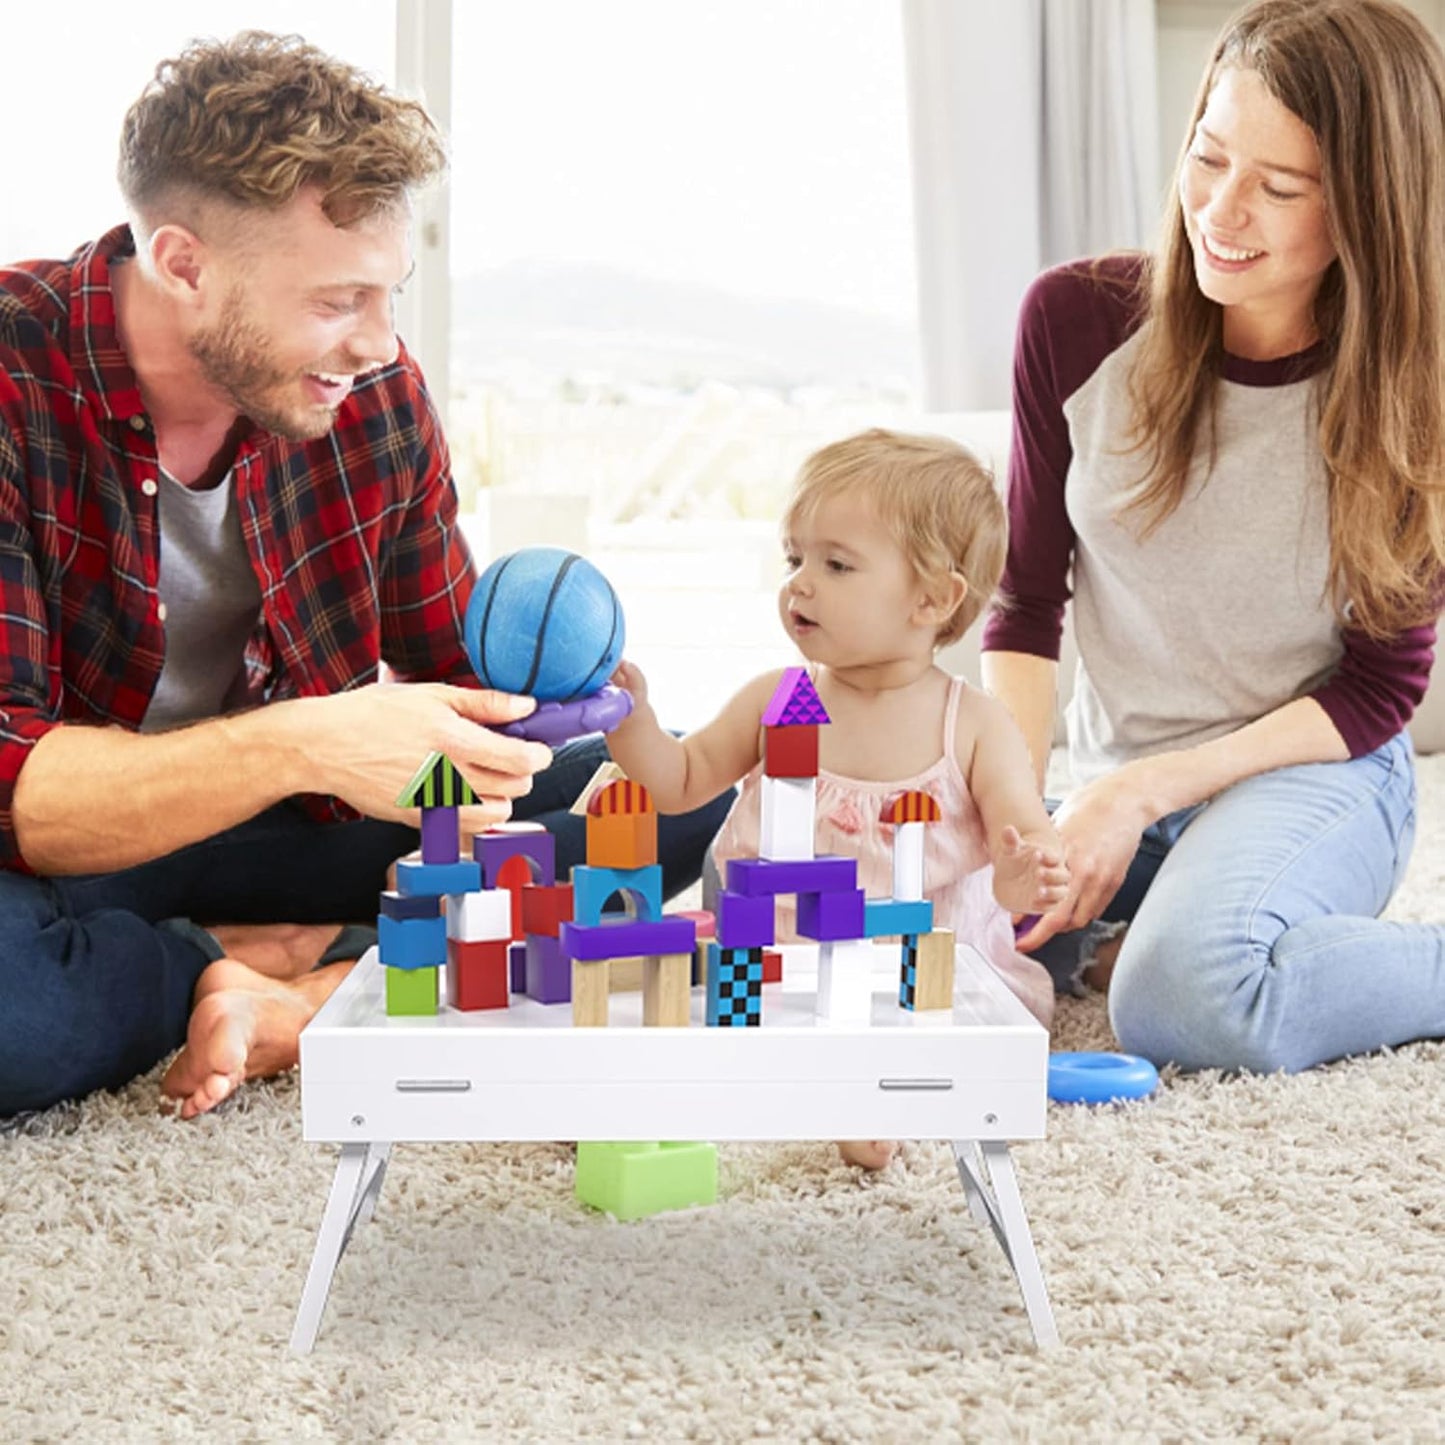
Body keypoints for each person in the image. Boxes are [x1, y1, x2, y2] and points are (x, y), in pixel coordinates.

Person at [0, 32, 730, 1122]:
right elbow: (21, 798)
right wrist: (308, 737)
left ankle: (302, 971)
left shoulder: (369, 398)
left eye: (389, 293)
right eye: (339, 300)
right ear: (184, 262)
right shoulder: (16, 380)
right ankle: (225, 959)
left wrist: (504, 767)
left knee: (680, 807)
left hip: (304, 821)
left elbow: (454, 672)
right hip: (73, 853)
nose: (382, 343)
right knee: (14, 1020)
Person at [981, 0, 1445, 1074]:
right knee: (941, 936)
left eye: (1278, 188)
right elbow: (1025, 601)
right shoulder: (1074, 321)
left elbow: (1377, 691)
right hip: (1113, 782)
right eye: (1207, 158)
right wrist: (1013, 819)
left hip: (1316, 775)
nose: (1218, 212)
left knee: (1182, 997)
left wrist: (1139, 791)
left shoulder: (1415, 393)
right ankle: (1150, 910)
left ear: (1368, 213)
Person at [608, 428, 1069, 1169]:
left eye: (835, 563)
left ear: (932, 598)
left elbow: (1026, 840)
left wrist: (1024, 875)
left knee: (946, 1035)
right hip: (762, 962)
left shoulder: (973, 724)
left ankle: (865, 1097)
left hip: (909, 975)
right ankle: (646, 1095)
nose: (799, 583)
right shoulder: (777, 698)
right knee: (664, 994)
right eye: (794, 558)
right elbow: (680, 778)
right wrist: (634, 725)